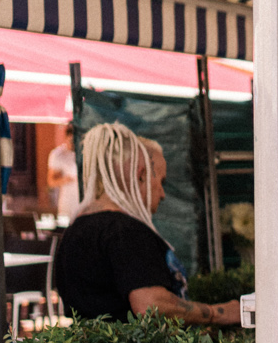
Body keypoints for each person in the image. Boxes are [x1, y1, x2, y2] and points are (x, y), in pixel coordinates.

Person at [52, 123, 239, 326]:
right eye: (161, 181)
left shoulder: (74, 229)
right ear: (140, 175)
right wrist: (217, 313)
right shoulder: (126, 232)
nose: (163, 194)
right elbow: (151, 306)